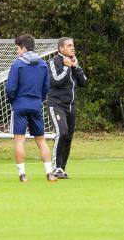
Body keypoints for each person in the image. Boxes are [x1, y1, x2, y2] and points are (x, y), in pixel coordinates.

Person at [5, 34, 56, 183]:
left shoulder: (17, 64)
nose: (17, 52)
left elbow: (10, 88)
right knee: (41, 141)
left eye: (17, 48)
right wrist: (39, 99)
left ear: (24, 48)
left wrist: (13, 101)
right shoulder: (42, 64)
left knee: (19, 141)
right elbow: (46, 86)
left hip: (20, 105)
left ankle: (22, 175)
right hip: (36, 105)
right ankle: (49, 173)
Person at [46, 37, 88, 178]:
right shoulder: (52, 62)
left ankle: (62, 169)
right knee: (62, 133)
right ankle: (56, 167)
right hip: (56, 105)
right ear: (61, 48)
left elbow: (84, 82)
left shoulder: (73, 63)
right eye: (69, 45)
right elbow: (56, 81)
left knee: (68, 137)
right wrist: (66, 67)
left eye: (73, 45)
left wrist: (76, 67)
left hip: (71, 106)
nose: (72, 48)